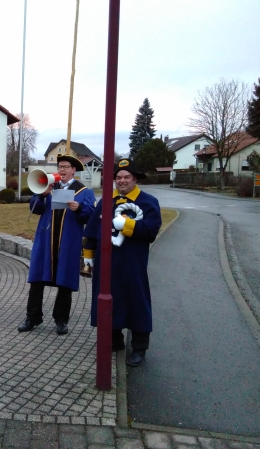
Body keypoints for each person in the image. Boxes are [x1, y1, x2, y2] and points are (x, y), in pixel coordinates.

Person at [83, 158, 161, 367]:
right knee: (108, 301)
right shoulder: (106, 201)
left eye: (127, 177)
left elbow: (151, 230)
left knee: (136, 302)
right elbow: (92, 230)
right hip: (105, 263)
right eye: (119, 177)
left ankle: (139, 347)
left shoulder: (148, 202)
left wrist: (127, 225)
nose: (122, 181)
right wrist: (88, 255)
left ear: (135, 179)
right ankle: (114, 340)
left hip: (132, 263)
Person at [17, 154, 96, 335]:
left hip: (68, 242)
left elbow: (90, 216)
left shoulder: (84, 191)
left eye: (66, 166)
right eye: (60, 166)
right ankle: (32, 317)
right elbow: (35, 209)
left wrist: (80, 208)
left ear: (74, 170)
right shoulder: (48, 187)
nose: (62, 169)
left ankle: (61, 320)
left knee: (65, 281)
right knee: (37, 279)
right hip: (46, 240)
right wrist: (42, 196)